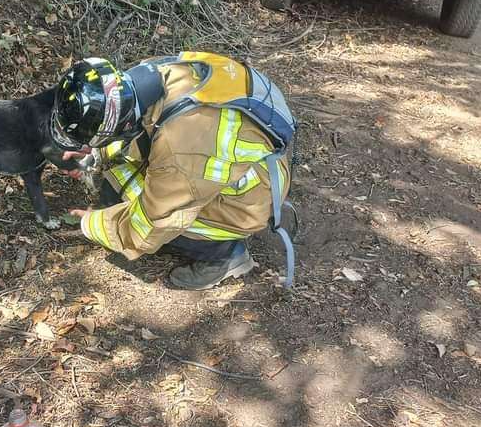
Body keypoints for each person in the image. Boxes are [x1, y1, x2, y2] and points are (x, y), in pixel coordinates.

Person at [50, 52, 296, 290]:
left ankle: (226, 255)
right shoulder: (153, 74)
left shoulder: (182, 148)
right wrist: (94, 153)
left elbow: (154, 223)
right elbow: (144, 127)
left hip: (246, 201)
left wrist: (92, 224)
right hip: (239, 166)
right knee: (116, 186)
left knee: (148, 216)